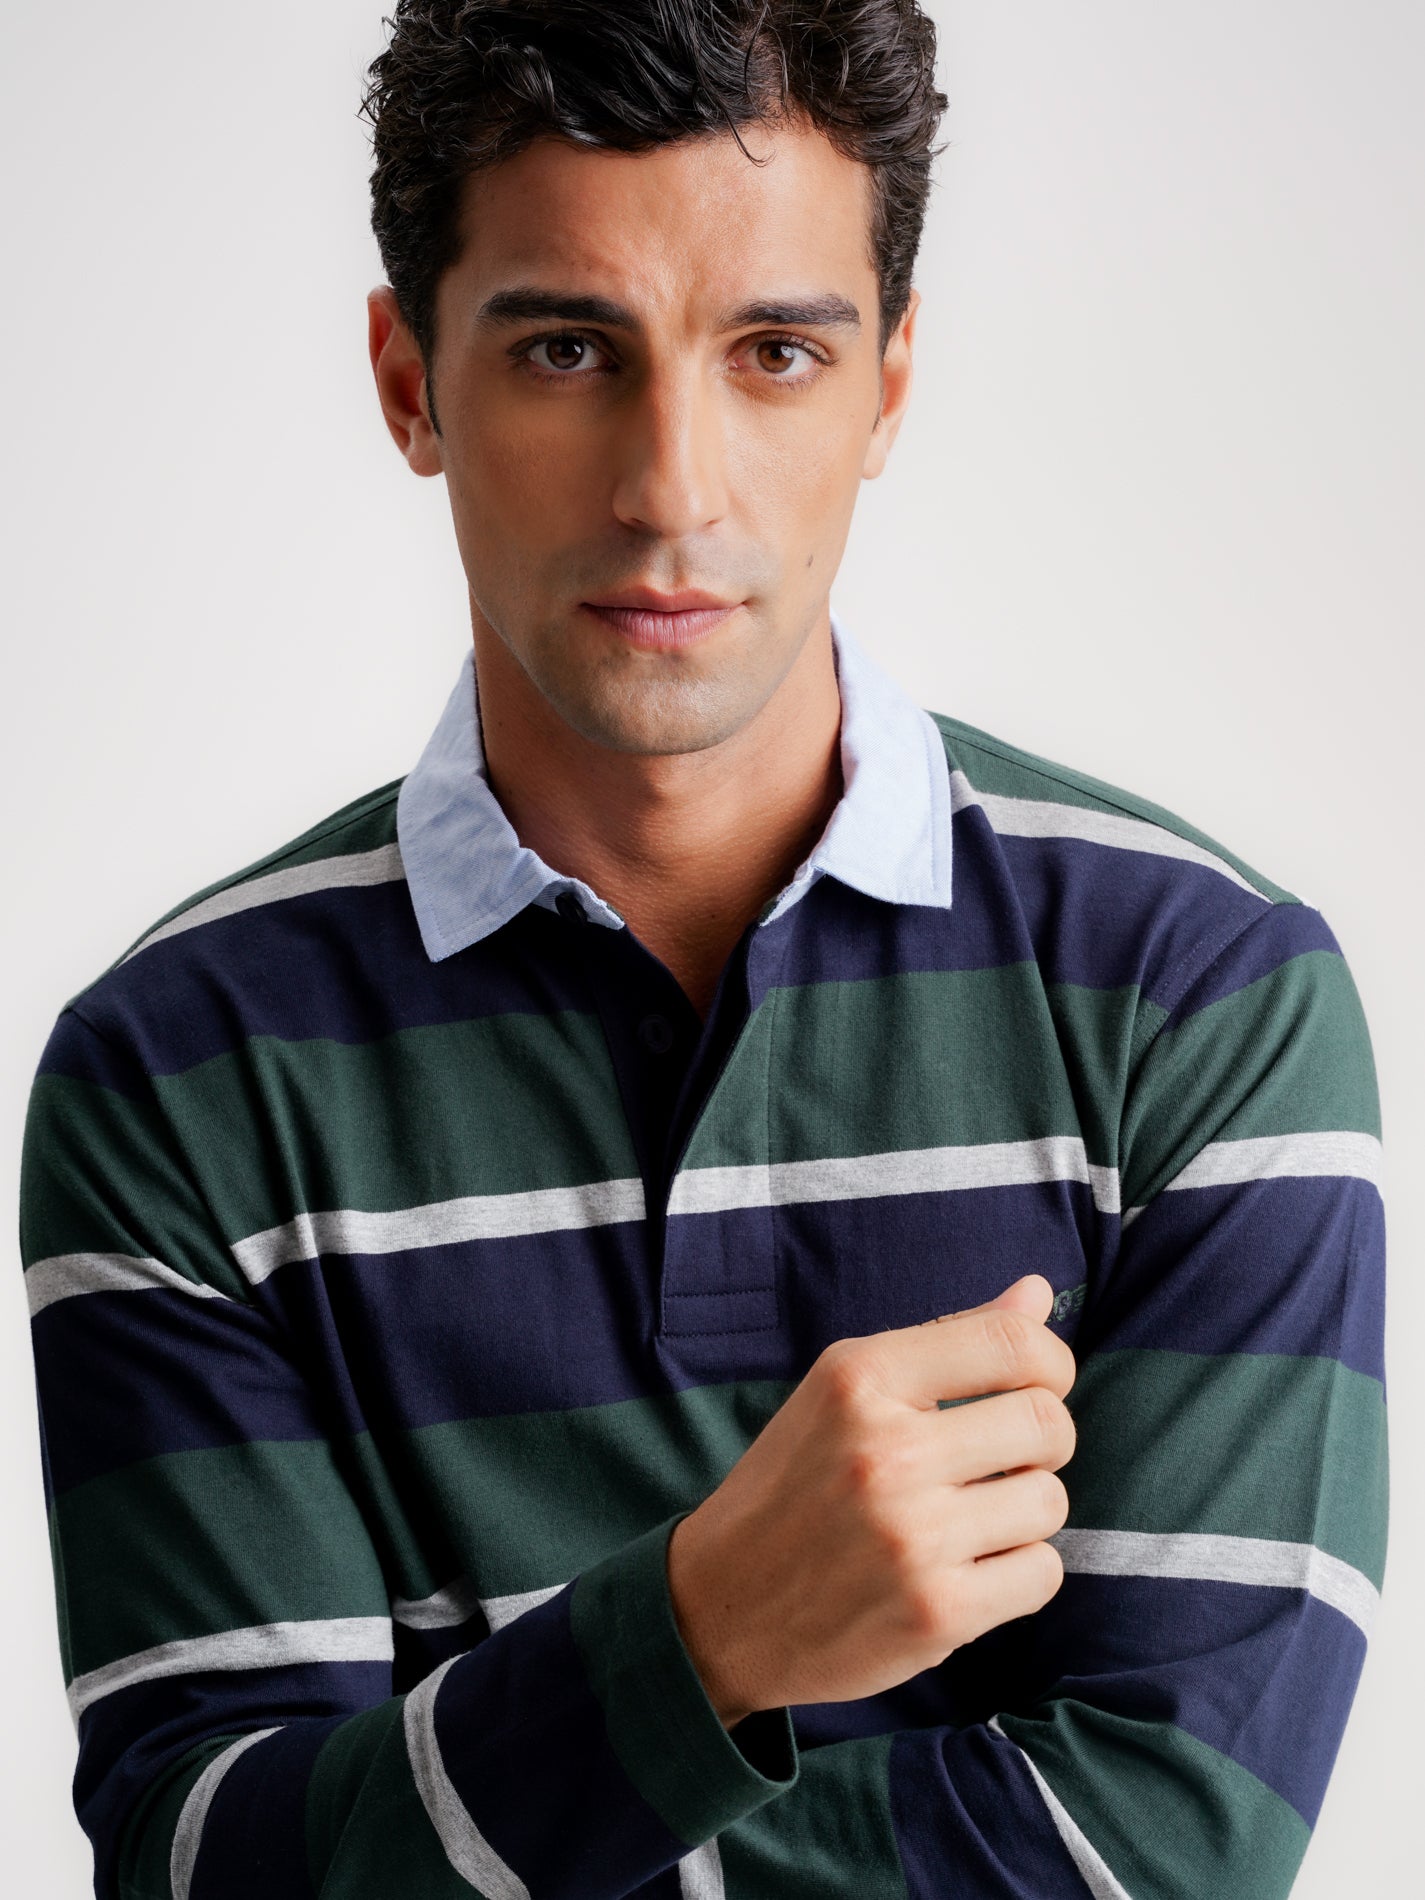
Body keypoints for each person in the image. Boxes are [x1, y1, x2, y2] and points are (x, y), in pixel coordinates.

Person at [19, 3, 1386, 1897]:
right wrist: (705, 1636)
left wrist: (489, 1802)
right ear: (409, 386)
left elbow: (1166, 1848)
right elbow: (207, 1865)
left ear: (885, 388)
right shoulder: (176, 1072)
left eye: (774, 354)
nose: (672, 488)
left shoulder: (1199, 998)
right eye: (566, 349)